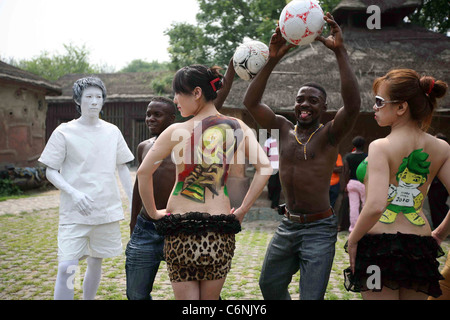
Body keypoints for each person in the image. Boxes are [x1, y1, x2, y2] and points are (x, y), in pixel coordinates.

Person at [243, 13, 361, 300]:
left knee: (311, 297)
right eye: (300, 99)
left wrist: (340, 51)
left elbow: (354, 103)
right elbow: (251, 103)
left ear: (323, 107)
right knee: (269, 286)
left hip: (320, 228)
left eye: (313, 100)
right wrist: (272, 59)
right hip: (288, 224)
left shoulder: (329, 134)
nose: (304, 104)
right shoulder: (281, 128)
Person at [137, 64, 272, 300]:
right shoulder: (237, 127)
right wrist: (241, 211)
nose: (175, 100)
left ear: (197, 93)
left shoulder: (175, 131)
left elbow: (143, 173)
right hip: (219, 230)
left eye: (178, 93)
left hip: (180, 230)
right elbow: (265, 168)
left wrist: (153, 213)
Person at [125, 59, 236, 300]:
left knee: (202, 291)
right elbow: (139, 184)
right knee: (135, 293)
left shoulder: (188, 140)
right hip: (148, 227)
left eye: (158, 114)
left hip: (183, 225)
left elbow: (213, 100)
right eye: (148, 114)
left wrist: (231, 70)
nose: (151, 119)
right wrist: (135, 222)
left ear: (174, 116)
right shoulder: (145, 146)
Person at [344, 69, 449, 300]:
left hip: (379, 248)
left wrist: (352, 240)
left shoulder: (380, 146)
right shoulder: (442, 148)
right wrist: (440, 233)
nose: (374, 107)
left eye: (379, 101)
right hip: (420, 247)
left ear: (401, 107)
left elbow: (375, 206)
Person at [38, 77, 134, 300]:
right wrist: (73, 192)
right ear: (77, 100)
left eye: (98, 97)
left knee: (95, 260)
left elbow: (122, 168)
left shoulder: (112, 131)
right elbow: (50, 170)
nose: (94, 102)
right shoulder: (64, 131)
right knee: (68, 266)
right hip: (75, 212)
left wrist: (132, 204)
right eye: (88, 97)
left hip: (105, 209)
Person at [343, 136, 367, 232]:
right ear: (363, 145)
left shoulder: (348, 156)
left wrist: (346, 184)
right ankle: (365, 227)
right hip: (363, 183)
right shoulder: (366, 157)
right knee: (365, 205)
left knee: (353, 206)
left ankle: (353, 228)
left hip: (352, 182)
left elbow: (346, 172)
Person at [427, 133, 449, 229]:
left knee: (438, 206)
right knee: (436, 206)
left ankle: (441, 227)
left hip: (439, 185)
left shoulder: (443, 153)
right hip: (435, 185)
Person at [264, 133, 281, 209]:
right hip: (272, 166)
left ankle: (275, 204)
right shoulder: (268, 141)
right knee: (272, 184)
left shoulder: (282, 141)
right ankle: (270, 195)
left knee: (279, 186)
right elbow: (265, 153)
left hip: (281, 167)